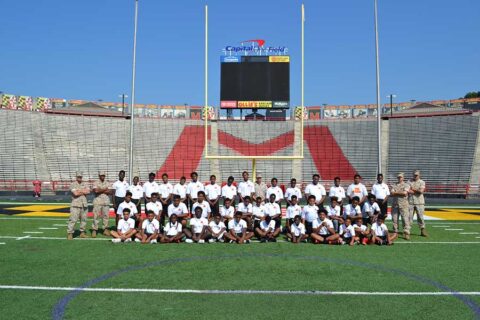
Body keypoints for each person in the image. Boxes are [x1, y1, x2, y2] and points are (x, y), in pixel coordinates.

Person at [67, 171, 90, 240]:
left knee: (84, 219)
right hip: (75, 205)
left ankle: (82, 233)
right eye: (78, 177)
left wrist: (79, 190)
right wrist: (83, 191)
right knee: (73, 219)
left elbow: (88, 192)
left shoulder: (85, 184)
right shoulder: (73, 184)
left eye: (80, 177)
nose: (79, 178)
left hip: (84, 204)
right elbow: (75, 194)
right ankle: (70, 233)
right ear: (76, 177)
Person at [390, 172, 411, 240]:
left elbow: (405, 193)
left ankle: (406, 233)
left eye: (401, 177)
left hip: (404, 205)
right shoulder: (394, 185)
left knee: (405, 219)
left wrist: (396, 193)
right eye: (398, 177)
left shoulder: (406, 185)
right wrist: (399, 193)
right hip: (395, 205)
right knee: (394, 220)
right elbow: (392, 193)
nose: (399, 178)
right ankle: (395, 232)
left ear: (403, 178)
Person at [408, 170, 428, 237]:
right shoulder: (409, 181)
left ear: (419, 175)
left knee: (420, 217)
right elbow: (407, 190)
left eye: (416, 175)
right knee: (409, 217)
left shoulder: (422, 182)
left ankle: (422, 230)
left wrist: (412, 189)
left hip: (419, 202)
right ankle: (407, 231)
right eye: (414, 175)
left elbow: (421, 191)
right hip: (410, 202)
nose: (415, 176)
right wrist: (415, 190)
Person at [92, 170, 111, 238]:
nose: (103, 176)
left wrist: (100, 189)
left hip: (106, 201)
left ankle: (105, 229)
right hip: (97, 201)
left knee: (106, 216)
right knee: (96, 216)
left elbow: (110, 191)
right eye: (101, 175)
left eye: (103, 175)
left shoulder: (108, 183)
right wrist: (104, 189)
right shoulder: (95, 183)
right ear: (99, 176)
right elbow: (96, 191)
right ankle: (94, 229)